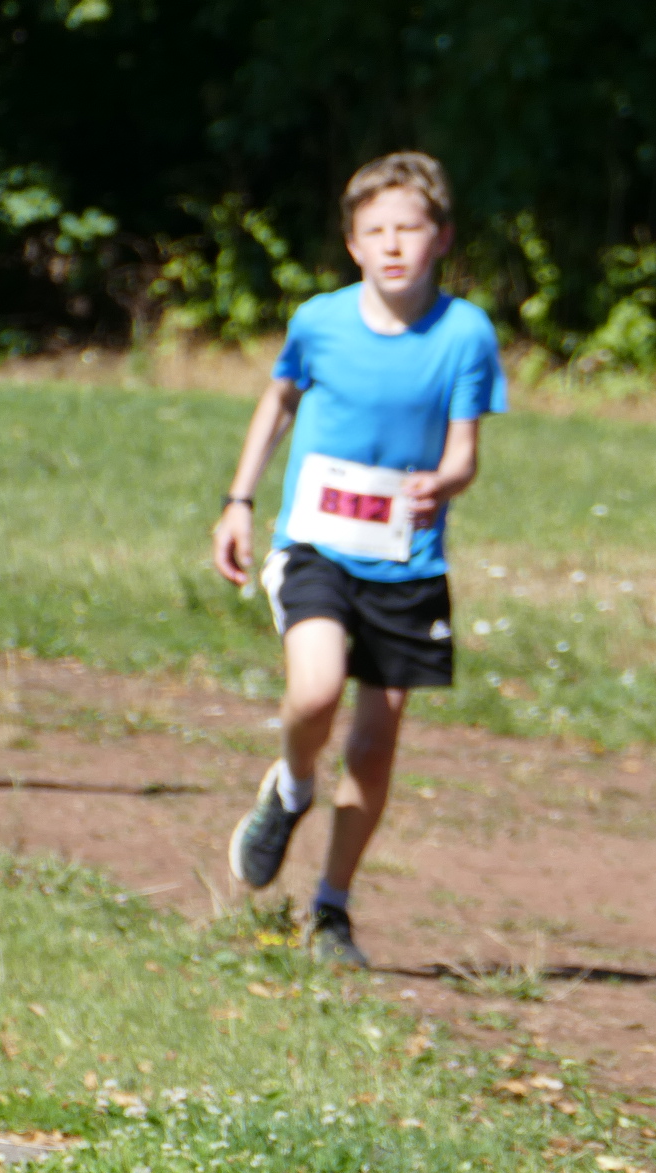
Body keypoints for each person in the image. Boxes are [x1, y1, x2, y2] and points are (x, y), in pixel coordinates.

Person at [209, 151, 506, 967]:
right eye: (375, 230)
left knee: (374, 747)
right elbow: (278, 400)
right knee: (313, 688)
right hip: (315, 544)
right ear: (352, 244)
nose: (393, 244)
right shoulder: (319, 322)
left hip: (406, 560)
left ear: (442, 237)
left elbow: (465, 454)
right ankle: (292, 787)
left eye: (409, 227)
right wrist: (238, 500)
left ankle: (331, 908)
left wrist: (443, 482)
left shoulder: (465, 334)